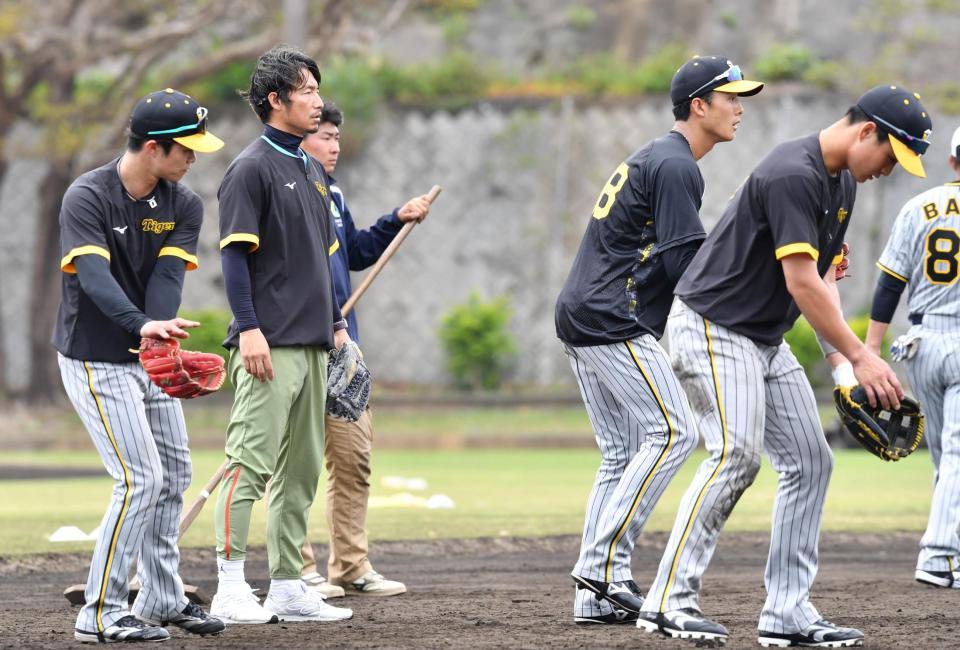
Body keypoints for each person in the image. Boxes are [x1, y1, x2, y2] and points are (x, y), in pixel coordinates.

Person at [638, 84, 932, 647]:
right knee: (736, 454)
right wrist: (861, 355)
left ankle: (787, 612)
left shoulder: (841, 180)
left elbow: (821, 281)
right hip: (711, 327)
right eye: (892, 156)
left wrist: (844, 370)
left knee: (811, 461)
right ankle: (667, 600)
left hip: (762, 339)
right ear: (867, 130)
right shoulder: (793, 172)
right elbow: (799, 282)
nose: (889, 171)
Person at [554, 56, 763, 625]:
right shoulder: (676, 166)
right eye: (731, 97)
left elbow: (678, 256)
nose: (740, 108)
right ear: (700, 105)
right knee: (674, 431)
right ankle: (604, 569)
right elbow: (684, 266)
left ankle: (592, 596)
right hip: (610, 316)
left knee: (623, 451)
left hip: (583, 311)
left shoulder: (661, 157)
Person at [55, 88, 226, 643]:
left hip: (146, 357)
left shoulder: (183, 203)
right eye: (187, 149)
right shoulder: (88, 196)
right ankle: (100, 611)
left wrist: (157, 337)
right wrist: (140, 327)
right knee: (139, 480)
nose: (194, 158)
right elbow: (94, 277)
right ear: (154, 148)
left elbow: (167, 278)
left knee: (173, 475)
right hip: (95, 359)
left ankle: (160, 599)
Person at [208, 45, 353, 625]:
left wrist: (338, 325)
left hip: (315, 343)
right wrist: (248, 330)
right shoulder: (249, 169)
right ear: (276, 99)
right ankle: (228, 584)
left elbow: (320, 259)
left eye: (319, 90)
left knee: (301, 471)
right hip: (269, 345)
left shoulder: (311, 169)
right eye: (308, 91)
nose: (318, 101)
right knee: (249, 463)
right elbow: (236, 260)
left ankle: (289, 584)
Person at [294, 102, 432, 599]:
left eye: (336, 136)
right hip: (299, 344)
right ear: (300, 137)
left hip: (343, 348)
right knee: (298, 464)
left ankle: (350, 567)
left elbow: (354, 251)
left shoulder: (331, 193)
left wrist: (396, 219)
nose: (333, 146)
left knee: (353, 458)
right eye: (324, 136)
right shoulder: (285, 188)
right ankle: (299, 570)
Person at [866, 125, 960, 591]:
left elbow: (889, 284)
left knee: (948, 459)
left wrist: (869, 350)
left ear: (953, 161)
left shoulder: (918, 206)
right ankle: (938, 554)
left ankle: (952, 555)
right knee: (958, 456)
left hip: (920, 344)